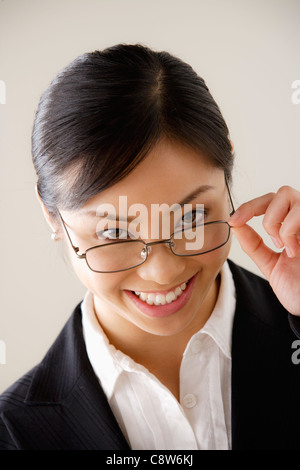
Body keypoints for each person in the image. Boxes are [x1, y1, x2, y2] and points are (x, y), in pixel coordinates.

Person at [0, 44, 300, 450]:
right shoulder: (14, 434)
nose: (162, 272)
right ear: (52, 216)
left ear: (226, 167)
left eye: (191, 217)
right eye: (115, 233)